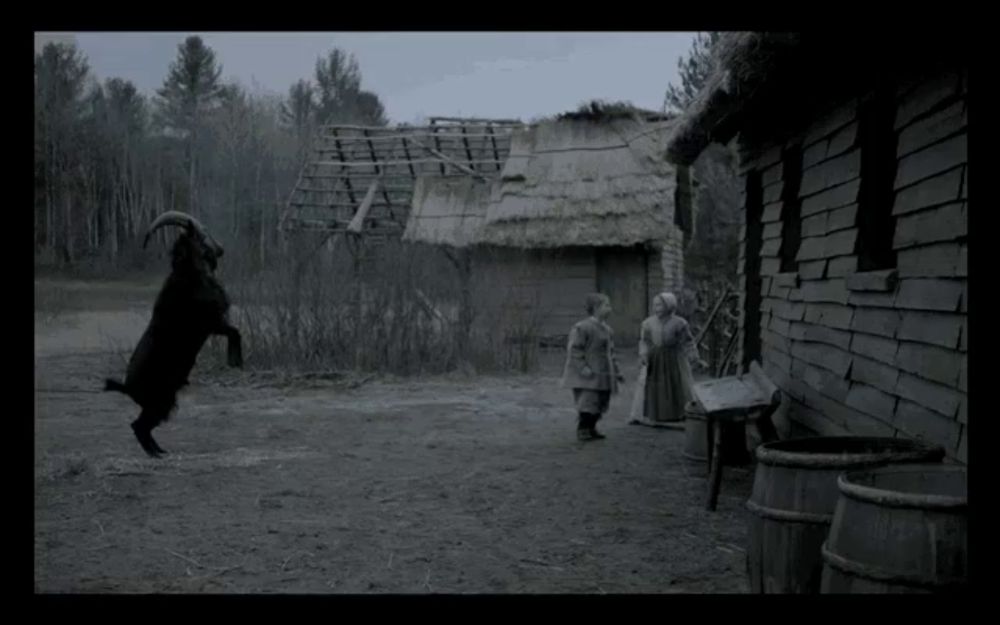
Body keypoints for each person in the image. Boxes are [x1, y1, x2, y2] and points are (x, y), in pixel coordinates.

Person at [629, 292, 706, 427]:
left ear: (669, 305)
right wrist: (643, 355)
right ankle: (655, 413)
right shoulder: (648, 323)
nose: (655, 307)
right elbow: (644, 341)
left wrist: (694, 358)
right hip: (655, 358)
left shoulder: (679, 323)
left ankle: (677, 413)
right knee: (654, 385)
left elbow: (688, 342)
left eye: (659, 305)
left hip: (674, 358)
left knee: (676, 383)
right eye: (654, 305)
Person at [561, 293, 625, 441]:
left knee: (601, 402)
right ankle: (583, 429)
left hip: (603, 373)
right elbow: (575, 349)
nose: (610, 309)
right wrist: (582, 367)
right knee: (588, 401)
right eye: (606, 305)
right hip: (588, 374)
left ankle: (592, 427)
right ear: (596, 308)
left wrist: (616, 372)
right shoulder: (582, 327)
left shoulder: (607, 330)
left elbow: (611, 353)